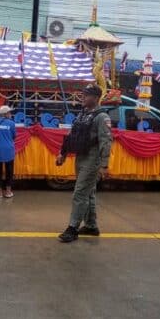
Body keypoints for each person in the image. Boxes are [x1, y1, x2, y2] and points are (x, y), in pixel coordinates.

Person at [56, 84, 112, 243]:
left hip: (92, 159)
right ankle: (91, 225)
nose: (83, 97)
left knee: (80, 193)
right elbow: (71, 134)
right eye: (83, 94)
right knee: (89, 192)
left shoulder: (102, 117)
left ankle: (72, 228)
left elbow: (106, 141)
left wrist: (104, 165)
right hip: (80, 157)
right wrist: (63, 153)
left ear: (96, 98)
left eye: (86, 95)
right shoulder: (82, 114)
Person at [0, 105, 17, 199]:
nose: (10, 114)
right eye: (9, 112)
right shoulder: (11, 123)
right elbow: (14, 136)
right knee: (9, 171)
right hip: (9, 150)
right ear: (5, 114)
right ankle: (8, 192)